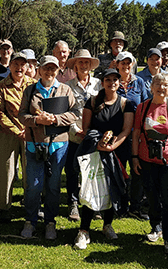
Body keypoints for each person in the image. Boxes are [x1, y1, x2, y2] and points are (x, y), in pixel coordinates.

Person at [73, 69, 135, 250]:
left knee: (111, 188)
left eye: (115, 80)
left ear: (120, 82)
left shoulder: (126, 104)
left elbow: (126, 130)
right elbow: (85, 129)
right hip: (94, 152)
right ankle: (84, 230)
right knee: (90, 188)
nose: (112, 83)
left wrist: (111, 146)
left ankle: (107, 225)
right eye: (108, 80)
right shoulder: (92, 102)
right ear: (102, 82)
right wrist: (99, 143)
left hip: (116, 152)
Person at [19, 56, 79, 240]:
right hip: (34, 145)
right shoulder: (30, 91)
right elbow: (22, 116)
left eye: (53, 68)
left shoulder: (65, 89)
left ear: (58, 70)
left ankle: (50, 222)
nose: (49, 72)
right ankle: (30, 220)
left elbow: (76, 113)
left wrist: (56, 119)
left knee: (53, 187)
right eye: (46, 68)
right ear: (39, 70)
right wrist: (37, 120)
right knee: (34, 186)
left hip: (59, 145)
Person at [132, 73, 168, 255]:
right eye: (157, 83)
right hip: (146, 160)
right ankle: (156, 227)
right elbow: (135, 135)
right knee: (152, 197)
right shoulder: (142, 108)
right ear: (151, 87)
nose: (161, 87)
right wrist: (134, 157)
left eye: (165, 85)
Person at [0, 52, 37, 222]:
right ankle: (5, 208)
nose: (19, 68)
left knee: (31, 171)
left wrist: (30, 127)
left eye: (22, 65)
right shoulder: (1, 86)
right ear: (10, 66)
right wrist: (17, 130)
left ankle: (30, 206)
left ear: (27, 67)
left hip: (31, 134)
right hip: (7, 134)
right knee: (6, 172)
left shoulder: (33, 84)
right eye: (16, 64)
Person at [64, 49, 101, 221]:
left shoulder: (98, 84)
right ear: (75, 66)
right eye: (80, 62)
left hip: (93, 136)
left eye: (87, 62)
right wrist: (74, 130)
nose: (84, 65)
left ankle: (91, 204)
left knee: (91, 171)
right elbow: (65, 111)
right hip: (74, 135)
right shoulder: (68, 86)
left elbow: (102, 108)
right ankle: (73, 203)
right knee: (72, 170)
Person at [115, 50, 148, 218]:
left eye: (129, 63)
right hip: (118, 134)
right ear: (117, 64)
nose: (126, 66)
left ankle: (135, 206)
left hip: (136, 134)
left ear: (133, 64)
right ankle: (120, 206)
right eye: (123, 63)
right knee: (119, 170)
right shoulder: (113, 82)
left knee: (137, 170)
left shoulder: (139, 83)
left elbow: (145, 104)